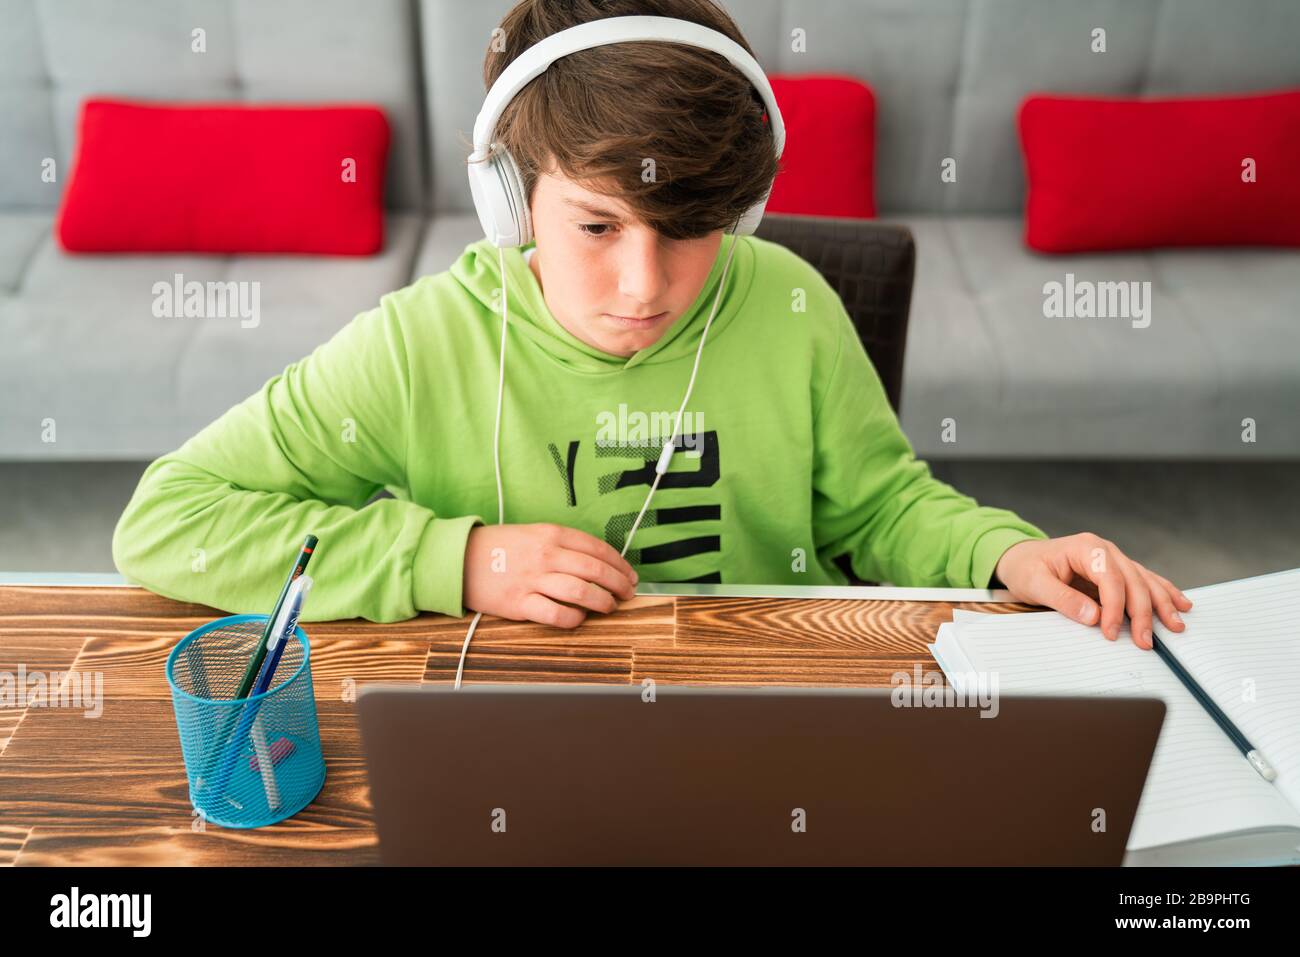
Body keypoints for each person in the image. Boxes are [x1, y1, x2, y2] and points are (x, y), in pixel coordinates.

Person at [113, 0, 1190, 650]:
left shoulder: (788, 304)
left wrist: (1008, 554)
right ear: (506, 196)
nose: (643, 284)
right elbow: (165, 520)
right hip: (522, 732)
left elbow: (884, 508)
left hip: (779, 705)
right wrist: (454, 561)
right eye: (595, 224)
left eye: (692, 229)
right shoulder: (416, 348)